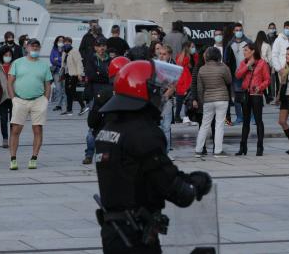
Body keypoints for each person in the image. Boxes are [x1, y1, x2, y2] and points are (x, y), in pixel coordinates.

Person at [94, 60, 212, 254]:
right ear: (143, 92)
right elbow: (171, 185)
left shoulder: (110, 128)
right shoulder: (143, 133)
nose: (160, 96)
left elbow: (143, 172)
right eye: (156, 91)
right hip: (136, 235)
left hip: (114, 232)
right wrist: (194, 184)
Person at [8, 38, 52, 170]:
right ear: (26, 48)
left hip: (38, 100)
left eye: (37, 47)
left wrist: (45, 99)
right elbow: (10, 82)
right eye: (32, 46)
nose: (34, 49)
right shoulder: (17, 63)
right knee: (16, 129)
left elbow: (47, 84)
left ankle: (34, 158)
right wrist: (13, 98)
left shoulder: (44, 65)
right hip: (20, 99)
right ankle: (13, 159)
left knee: (37, 129)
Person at [84, 56, 129, 165]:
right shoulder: (135, 93)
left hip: (108, 137)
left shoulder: (104, 94)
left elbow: (92, 121)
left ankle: (89, 154)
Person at [194, 46, 232, 157]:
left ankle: (198, 150)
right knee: (219, 124)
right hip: (222, 98)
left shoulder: (202, 69)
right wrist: (223, 64)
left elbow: (200, 88)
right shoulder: (222, 68)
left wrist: (202, 101)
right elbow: (229, 80)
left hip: (208, 99)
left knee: (204, 125)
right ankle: (218, 151)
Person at [235, 43, 270, 156]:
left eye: (246, 50)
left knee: (258, 120)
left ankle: (260, 146)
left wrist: (260, 87)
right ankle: (242, 146)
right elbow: (237, 75)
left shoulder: (262, 63)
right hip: (246, 93)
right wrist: (247, 66)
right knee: (245, 121)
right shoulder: (243, 63)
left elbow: (267, 80)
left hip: (256, 94)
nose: (244, 52)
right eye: (243, 50)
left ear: (253, 51)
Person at [224, 23, 251, 124]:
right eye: (237, 30)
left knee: (249, 95)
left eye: (240, 30)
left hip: (247, 73)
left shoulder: (248, 42)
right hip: (235, 74)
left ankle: (250, 116)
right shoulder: (230, 44)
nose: (239, 32)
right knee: (237, 97)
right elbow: (226, 59)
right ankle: (239, 116)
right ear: (233, 32)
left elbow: (254, 56)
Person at [0, 45, 14, 148]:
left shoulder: (15, 66)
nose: (8, 56)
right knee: (3, 119)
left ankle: (12, 137)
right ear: (2, 56)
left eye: (10, 55)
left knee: (13, 119)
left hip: (13, 95)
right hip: (2, 96)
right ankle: (5, 138)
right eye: (6, 55)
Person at [62, 36, 86, 115]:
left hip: (73, 74)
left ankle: (83, 106)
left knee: (72, 91)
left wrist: (79, 74)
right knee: (67, 91)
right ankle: (69, 109)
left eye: (68, 42)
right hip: (67, 74)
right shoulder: (65, 52)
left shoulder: (74, 51)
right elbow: (64, 64)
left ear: (71, 43)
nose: (66, 43)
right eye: (65, 42)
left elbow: (79, 63)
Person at [174, 42, 196, 124]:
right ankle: (186, 116)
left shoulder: (181, 59)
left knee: (180, 101)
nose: (194, 48)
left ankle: (178, 116)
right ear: (188, 48)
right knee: (187, 101)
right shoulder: (187, 60)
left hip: (182, 84)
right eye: (192, 47)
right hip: (185, 84)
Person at [49, 36, 67, 112]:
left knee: (64, 89)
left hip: (64, 71)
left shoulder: (66, 49)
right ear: (56, 42)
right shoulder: (54, 49)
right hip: (56, 72)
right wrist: (60, 61)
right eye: (59, 41)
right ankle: (58, 105)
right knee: (58, 88)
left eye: (62, 41)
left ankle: (65, 105)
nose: (60, 42)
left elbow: (66, 60)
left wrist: (58, 59)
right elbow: (52, 60)